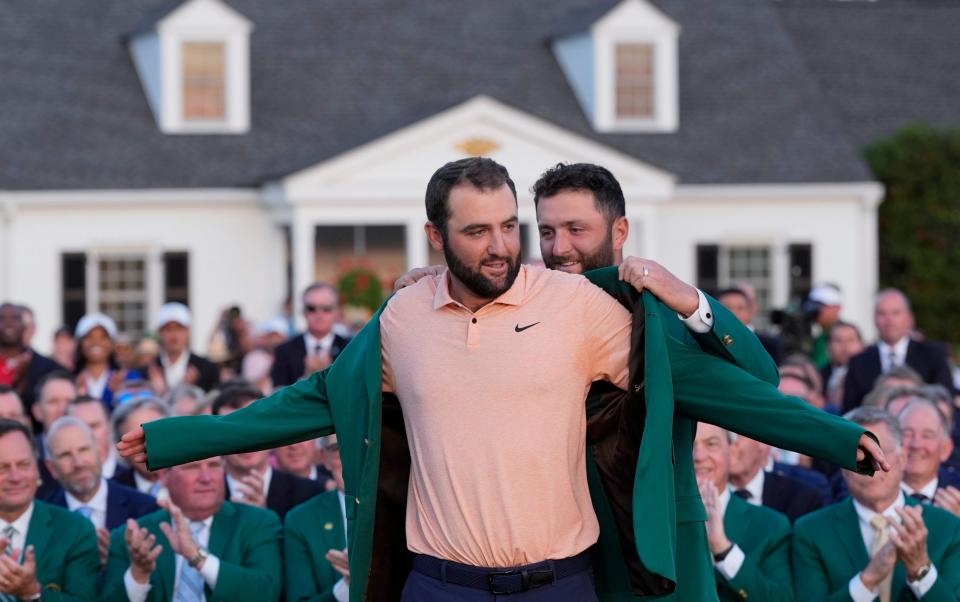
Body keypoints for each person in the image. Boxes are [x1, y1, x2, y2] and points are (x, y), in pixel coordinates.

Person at [120, 158, 886, 602]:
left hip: (569, 581)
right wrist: (170, 438)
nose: (506, 247)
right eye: (480, 230)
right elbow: (306, 403)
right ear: (436, 236)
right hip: (438, 586)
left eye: (510, 227)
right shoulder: (400, 319)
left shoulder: (579, 307)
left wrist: (839, 437)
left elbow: (717, 383)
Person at [793, 407, 960, 601]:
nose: (871, 466)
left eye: (880, 453)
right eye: (860, 455)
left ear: (903, 459)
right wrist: (868, 580)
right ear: (842, 465)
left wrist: (920, 569)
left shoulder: (949, 527)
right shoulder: (811, 531)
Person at [101, 455, 283, 602]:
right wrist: (139, 576)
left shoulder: (258, 523)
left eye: (214, 465)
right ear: (164, 475)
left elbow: (266, 593)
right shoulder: (134, 537)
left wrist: (197, 557)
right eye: (192, 467)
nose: (206, 478)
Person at [0, 419, 99, 600]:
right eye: (2, 468)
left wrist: (32, 592)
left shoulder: (75, 530)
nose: (15, 477)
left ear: (37, 469)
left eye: (24, 464)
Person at [693, 422, 792, 601]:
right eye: (689, 444)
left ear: (731, 451)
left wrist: (723, 549)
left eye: (711, 444)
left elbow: (780, 598)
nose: (698, 456)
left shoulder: (770, 526)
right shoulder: (656, 518)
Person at [42, 416, 157, 566]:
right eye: (65, 455)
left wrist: (121, 559)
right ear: (51, 468)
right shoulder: (42, 518)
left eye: (84, 449)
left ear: (101, 453)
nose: (78, 463)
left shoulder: (144, 508)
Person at [212, 383, 325, 520]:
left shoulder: (311, 493)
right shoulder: (203, 494)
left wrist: (264, 518)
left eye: (254, 426)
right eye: (233, 430)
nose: (246, 439)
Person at [843, 289, 955, 411]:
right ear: (874, 319)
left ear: (909, 318)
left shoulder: (933, 355)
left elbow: (945, 400)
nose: (889, 320)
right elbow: (851, 411)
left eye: (896, 313)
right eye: (882, 313)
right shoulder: (858, 362)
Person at [284, 434, 350, 601]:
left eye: (359, 445)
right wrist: (346, 586)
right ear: (324, 458)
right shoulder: (301, 521)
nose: (350, 457)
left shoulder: (403, 509)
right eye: (337, 449)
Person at [727, 430, 825, 522]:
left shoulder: (802, 499)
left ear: (761, 441)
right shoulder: (713, 499)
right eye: (713, 443)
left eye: (736, 436)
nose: (729, 446)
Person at [270, 284, 351, 388]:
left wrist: (330, 375)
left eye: (326, 308)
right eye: (311, 308)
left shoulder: (350, 348)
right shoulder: (284, 350)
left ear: (337, 312)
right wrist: (306, 379)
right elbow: (278, 394)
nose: (319, 314)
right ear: (303, 312)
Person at [897, 398, 960, 514]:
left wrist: (956, 525)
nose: (916, 444)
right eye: (907, 434)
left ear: (945, 449)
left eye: (927, 436)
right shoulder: (872, 488)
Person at [0, 303, 62, 409]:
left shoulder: (49, 368)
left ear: (25, 326)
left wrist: (22, 380)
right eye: (2, 318)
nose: (9, 323)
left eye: (15, 318)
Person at [149, 302, 219, 394]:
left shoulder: (207, 368)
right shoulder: (149, 370)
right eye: (168, 329)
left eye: (179, 328)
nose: (174, 335)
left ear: (188, 331)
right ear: (159, 332)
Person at [112, 397, 170, 499]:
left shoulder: (199, 475)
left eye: (155, 434)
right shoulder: (112, 492)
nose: (147, 445)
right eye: (137, 439)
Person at [66, 395, 130, 481]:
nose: (88, 434)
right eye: (79, 427)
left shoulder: (131, 464)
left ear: (109, 425)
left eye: (94, 426)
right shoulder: (63, 475)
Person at [716, 286, 785, 365]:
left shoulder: (771, 344)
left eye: (740, 308)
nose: (733, 313)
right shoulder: (707, 341)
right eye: (727, 307)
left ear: (750, 311)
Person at [822, 321, 865, 406]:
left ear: (862, 344)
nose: (845, 346)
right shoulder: (819, 376)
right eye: (838, 340)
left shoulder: (871, 375)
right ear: (829, 346)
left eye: (851, 340)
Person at [807, 284, 843, 369]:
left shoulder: (846, 335)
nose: (816, 310)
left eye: (822, 306)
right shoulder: (816, 336)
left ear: (837, 308)